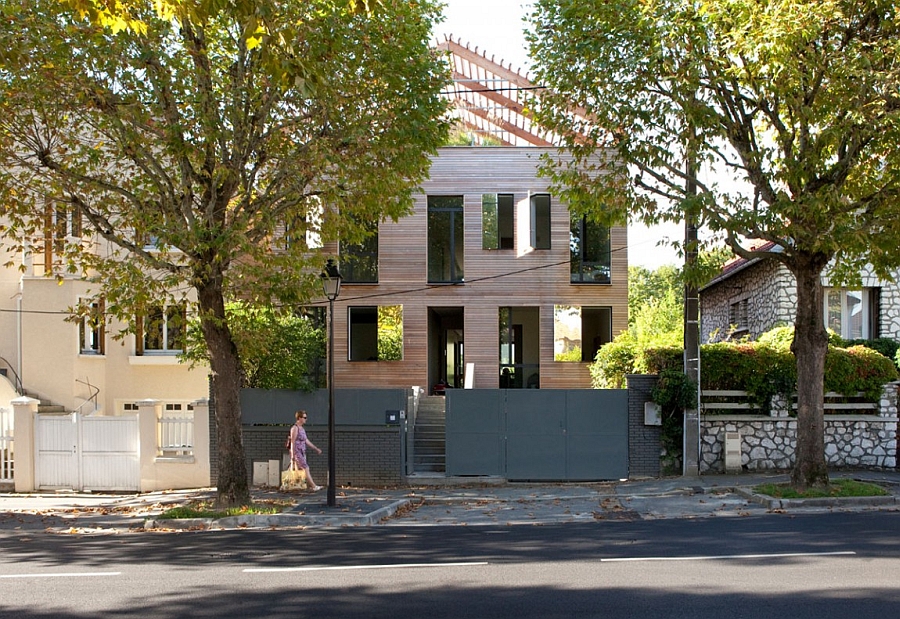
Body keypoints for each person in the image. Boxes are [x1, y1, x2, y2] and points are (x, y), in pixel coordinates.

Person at [290, 409, 323, 491]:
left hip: (302, 451)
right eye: (304, 417)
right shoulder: (295, 428)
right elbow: (292, 442)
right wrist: (292, 455)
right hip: (297, 452)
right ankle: (313, 486)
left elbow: (306, 440)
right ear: (299, 418)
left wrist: (316, 448)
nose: (306, 419)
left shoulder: (302, 429)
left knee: (301, 469)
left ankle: (297, 486)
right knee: (306, 468)